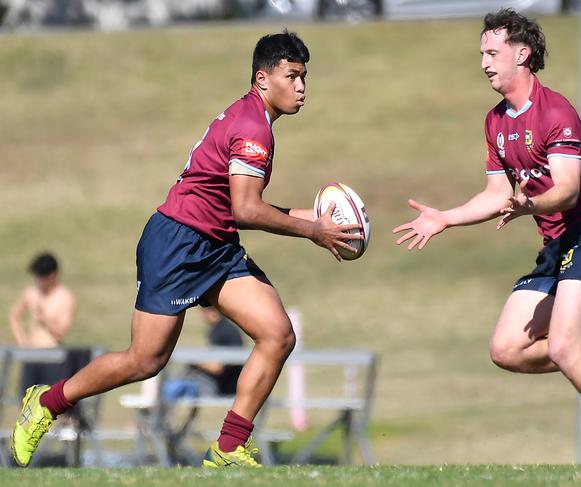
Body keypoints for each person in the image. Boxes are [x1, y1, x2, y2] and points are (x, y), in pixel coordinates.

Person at [12, 30, 361, 469]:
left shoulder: (254, 118)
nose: (301, 87)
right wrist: (312, 232)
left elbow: (238, 207)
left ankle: (229, 447)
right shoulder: (254, 127)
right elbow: (247, 210)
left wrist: (317, 217)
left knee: (277, 334)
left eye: (304, 77)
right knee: (144, 361)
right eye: (292, 76)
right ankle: (46, 402)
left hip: (215, 246)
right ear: (262, 78)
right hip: (177, 243)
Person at [393, 9, 581, 464]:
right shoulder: (496, 121)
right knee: (506, 349)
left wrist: (529, 205)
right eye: (482, 54)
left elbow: (568, 189)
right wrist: (445, 218)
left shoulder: (556, 111)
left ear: (522, 53)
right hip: (556, 247)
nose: (485, 62)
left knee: (566, 348)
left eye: (493, 52)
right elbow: (496, 194)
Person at [9, 252, 77, 390]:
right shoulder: (31, 292)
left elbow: (61, 332)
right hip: (31, 355)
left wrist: (43, 318)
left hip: (52, 356)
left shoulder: (65, 297)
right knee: (25, 402)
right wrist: (22, 341)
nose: (38, 280)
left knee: (48, 402)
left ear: (52, 275)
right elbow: (14, 317)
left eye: (41, 276)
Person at [162, 307, 244, 400]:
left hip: (222, 387)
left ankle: (155, 410)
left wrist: (194, 361)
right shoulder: (224, 329)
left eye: (203, 312)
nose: (202, 316)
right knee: (173, 379)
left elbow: (217, 368)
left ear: (212, 312)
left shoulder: (222, 332)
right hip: (223, 383)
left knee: (171, 385)